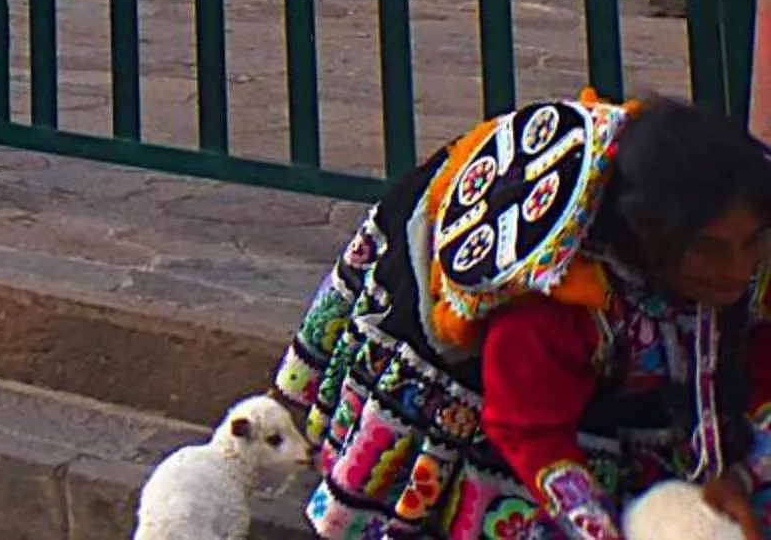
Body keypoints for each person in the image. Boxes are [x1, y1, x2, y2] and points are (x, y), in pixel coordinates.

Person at [278, 93, 771, 538]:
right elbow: (529, 430)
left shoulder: (751, 254)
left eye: (752, 242)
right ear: (649, 238)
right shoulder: (552, 301)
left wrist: (740, 474)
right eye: (709, 249)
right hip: (500, 389)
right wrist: (597, 531)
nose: (738, 267)